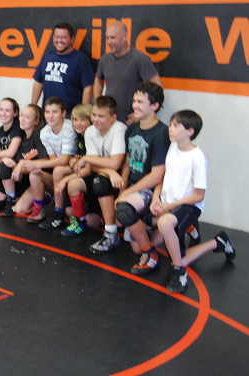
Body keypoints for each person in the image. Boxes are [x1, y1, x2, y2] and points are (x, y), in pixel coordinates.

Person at [149, 110, 235, 292]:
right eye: (170, 124)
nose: (170, 129)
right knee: (155, 243)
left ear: (190, 131)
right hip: (169, 205)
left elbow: (199, 195)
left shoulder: (197, 157)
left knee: (166, 226)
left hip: (188, 206)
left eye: (175, 126)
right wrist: (156, 197)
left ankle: (179, 273)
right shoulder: (172, 148)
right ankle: (217, 242)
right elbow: (164, 177)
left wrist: (169, 207)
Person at [115, 82, 170, 274]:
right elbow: (129, 162)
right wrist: (123, 189)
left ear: (154, 106)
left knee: (123, 210)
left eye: (140, 102)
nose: (134, 105)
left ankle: (151, 254)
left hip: (150, 189)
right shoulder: (132, 129)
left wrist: (126, 195)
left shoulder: (161, 133)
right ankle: (149, 228)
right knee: (133, 243)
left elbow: (157, 176)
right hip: (135, 187)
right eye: (134, 101)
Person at [63, 96, 126, 252]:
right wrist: (109, 171)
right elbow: (93, 165)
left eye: (101, 116)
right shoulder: (90, 131)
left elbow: (116, 163)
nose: (96, 119)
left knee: (100, 181)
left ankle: (111, 233)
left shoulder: (119, 129)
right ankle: (79, 223)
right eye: (94, 115)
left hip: (120, 180)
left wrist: (88, 159)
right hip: (105, 174)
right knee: (74, 184)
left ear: (113, 117)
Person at [94, 21, 162, 124]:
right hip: (110, 120)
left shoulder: (140, 59)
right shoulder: (104, 59)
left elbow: (157, 89)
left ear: (124, 37)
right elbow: (98, 80)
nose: (109, 41)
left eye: (113, 38)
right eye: (107, 37)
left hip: (131, 121)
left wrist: (140, 114)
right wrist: (98, 105)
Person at [22, 96, 77, 223]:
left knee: (57, 170)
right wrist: (34, 166)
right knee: (34, 174)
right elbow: (54, 160)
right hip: (61, 168)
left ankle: (58, 213)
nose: (50, 116)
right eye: (47, 112)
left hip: (75, 168)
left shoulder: (69, 129)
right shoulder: (44, 133)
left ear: (63, 113)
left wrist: (35, 163)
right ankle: (39, 209)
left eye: (55, 112)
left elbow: (63, 160)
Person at [38, 103, 92, 231]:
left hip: (93, 176)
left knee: (92, 221)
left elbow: (90, 167)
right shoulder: (79, 136)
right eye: (75, 120)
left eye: (83, 120)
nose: (78, 123)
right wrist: (74, 160)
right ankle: (59, 213)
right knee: (58, 171)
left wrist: (66, 179)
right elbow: (74, 157)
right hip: (82, 171)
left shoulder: (90, 135)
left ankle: (79, 222)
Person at [32, 22, 94, 115]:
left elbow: (88, 87)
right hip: (48, 114)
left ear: (72, 39)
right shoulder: (48, 55)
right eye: (56, 37)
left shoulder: (81, 59)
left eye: (64, 37)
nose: (59, 40)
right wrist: (33, 107)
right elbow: (38, 82)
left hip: (70, 116)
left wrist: (83, 113)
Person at [1, 104, 48, 216]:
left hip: (40, 179)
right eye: (21, 115)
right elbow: (13, 160)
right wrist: (9, 161)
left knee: (20, 209)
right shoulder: (20, 136)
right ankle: (12, 198)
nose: (22, 119)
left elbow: (45, 161)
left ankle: (46, 197)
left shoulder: (39, 136)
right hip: (26, 180)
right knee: (19, 210)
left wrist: (21, 164)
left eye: (27, 117)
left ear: (36, 121)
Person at [0, 98, 22, 212]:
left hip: (19, 174)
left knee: (5, 164)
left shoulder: (18, 129)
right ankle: (13, 196)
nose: (3, 113)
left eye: (7, 110)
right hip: (5, 175)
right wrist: (2, 158)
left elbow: (11, 152)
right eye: (1, 109)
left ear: (15, 113)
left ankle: (12, 198)